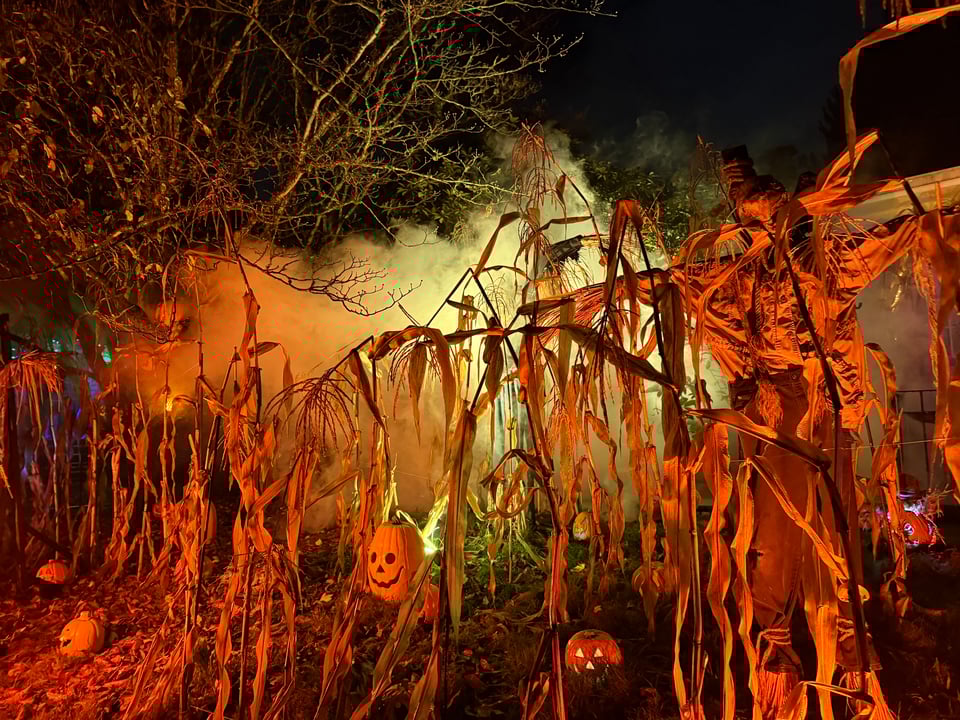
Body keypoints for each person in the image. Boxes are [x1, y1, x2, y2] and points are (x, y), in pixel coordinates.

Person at [539, 133, 933, 718]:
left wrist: (933, 221)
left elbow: (901, 233)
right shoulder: (734, 276)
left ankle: (851, 647)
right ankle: (777, 655)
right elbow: (667, 283)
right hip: (776, 412)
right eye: (752, 219)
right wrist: (595, 298)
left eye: (772, 218)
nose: (766, 232)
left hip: (828, 408)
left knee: (837, 521)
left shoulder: (830, 259)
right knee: (773, 532)